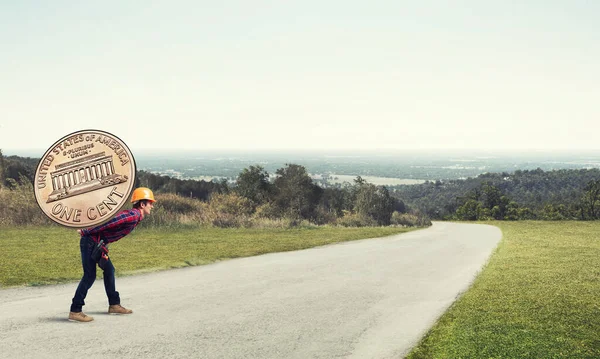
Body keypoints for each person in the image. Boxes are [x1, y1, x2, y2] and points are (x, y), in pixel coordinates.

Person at [68, 187, 156, 322]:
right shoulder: (133, 215)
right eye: (150, 202)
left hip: (97, 243)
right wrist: (86, 231)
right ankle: (75, 310)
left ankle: (114, 305)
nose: (152, 205)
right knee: (89, 276)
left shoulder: (136, 217)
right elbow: (110, 222)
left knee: (109, 270)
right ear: (142, 204)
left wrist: (104, 245)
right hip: (90, 241)